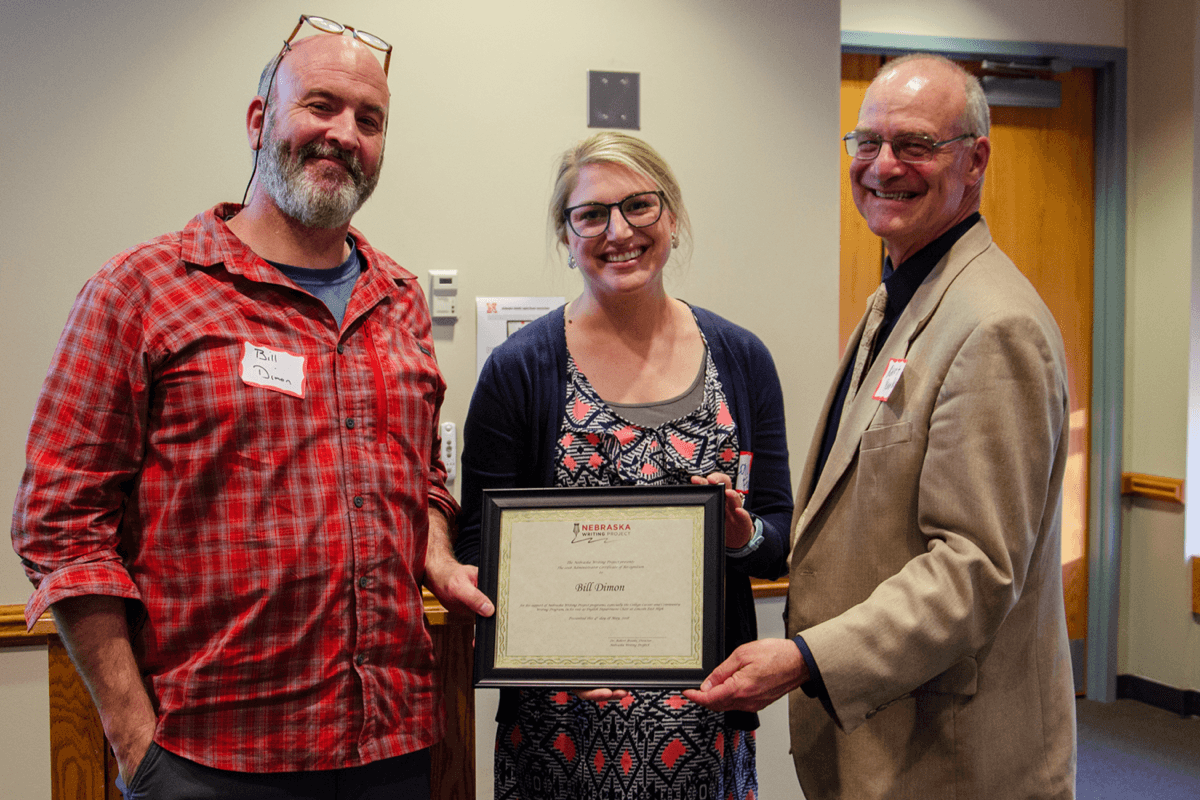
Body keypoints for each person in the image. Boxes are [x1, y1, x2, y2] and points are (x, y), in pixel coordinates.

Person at [10, 17, 491, 800]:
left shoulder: (398, 300)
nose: (345, 134)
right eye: (322, 106)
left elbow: (426, 475)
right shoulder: (142, 291)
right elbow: (59, 524)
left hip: (392, 748)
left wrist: (434, 540)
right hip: (209, 758)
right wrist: (137, 744)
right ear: (260, 120)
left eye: (369, 120)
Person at [685, 54, 1077, 799]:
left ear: (975, 159)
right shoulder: (898, 297)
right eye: (867, 142)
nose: (883, 165)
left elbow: (974, 568)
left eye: (915, 144)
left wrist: (804, 657)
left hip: (953, 759)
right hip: (885, 744)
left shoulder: (995, 325)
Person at [454, 131, 793, 800]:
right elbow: (479, 547)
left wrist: (740, 536)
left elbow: (775, 539)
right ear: (566, 233)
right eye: (591, 214)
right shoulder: (519, 370)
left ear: (671, 215)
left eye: (639, 206)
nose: (619, 231)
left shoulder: (742, 359)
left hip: (705, 725)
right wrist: (548, 647)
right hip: (560, 727)